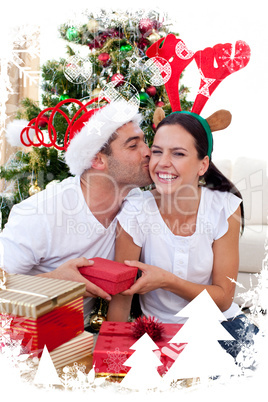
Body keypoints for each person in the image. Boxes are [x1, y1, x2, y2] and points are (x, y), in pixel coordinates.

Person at [107, 111, 258, 359]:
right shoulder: (136, 209)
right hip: (159, 333)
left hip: (221, 326)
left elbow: (223, 298)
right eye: (157, 151)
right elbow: (122, 295)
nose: (163, 162)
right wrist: (112, 353)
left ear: (203, 165)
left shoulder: (225, 207)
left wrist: (167, 280)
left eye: (178, 153)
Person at [0, 100, 152, 322]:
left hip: (77, 339)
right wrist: (54, 281)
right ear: (97, 160)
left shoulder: (135, 204)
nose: (148, 152)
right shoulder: (41, 213)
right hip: (22, 337)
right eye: (133, 145)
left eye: (145, 142)